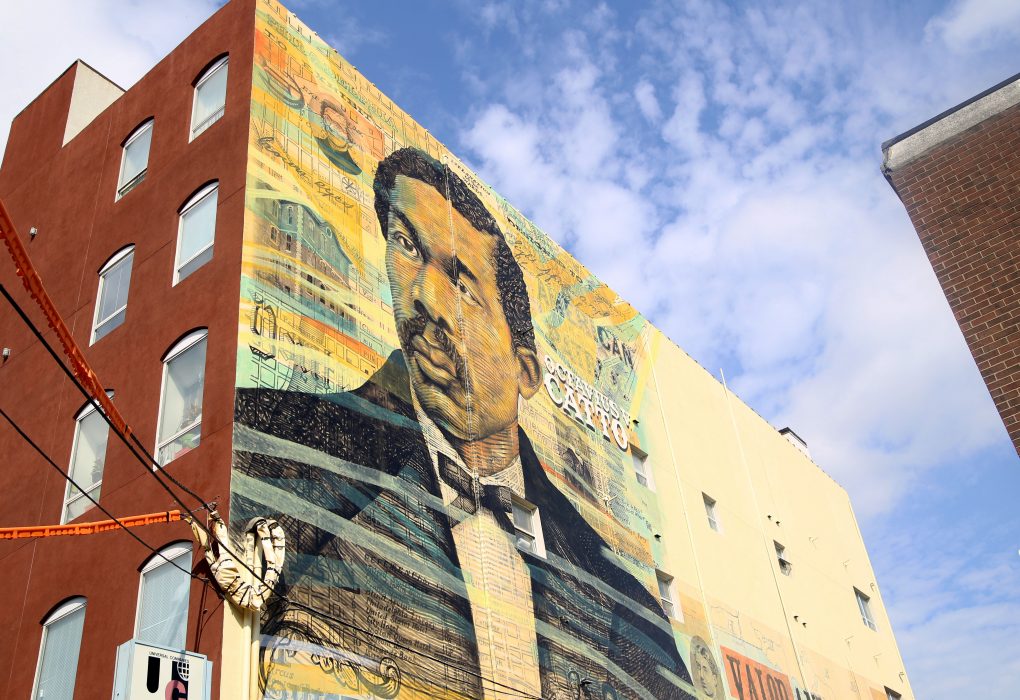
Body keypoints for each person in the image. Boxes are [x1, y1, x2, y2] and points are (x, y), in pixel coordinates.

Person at [234, 147, 695, 700]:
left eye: (461, 282)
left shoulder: (627, 610)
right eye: (406, 246)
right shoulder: (273, 445)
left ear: (525, 369)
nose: (424, 298)